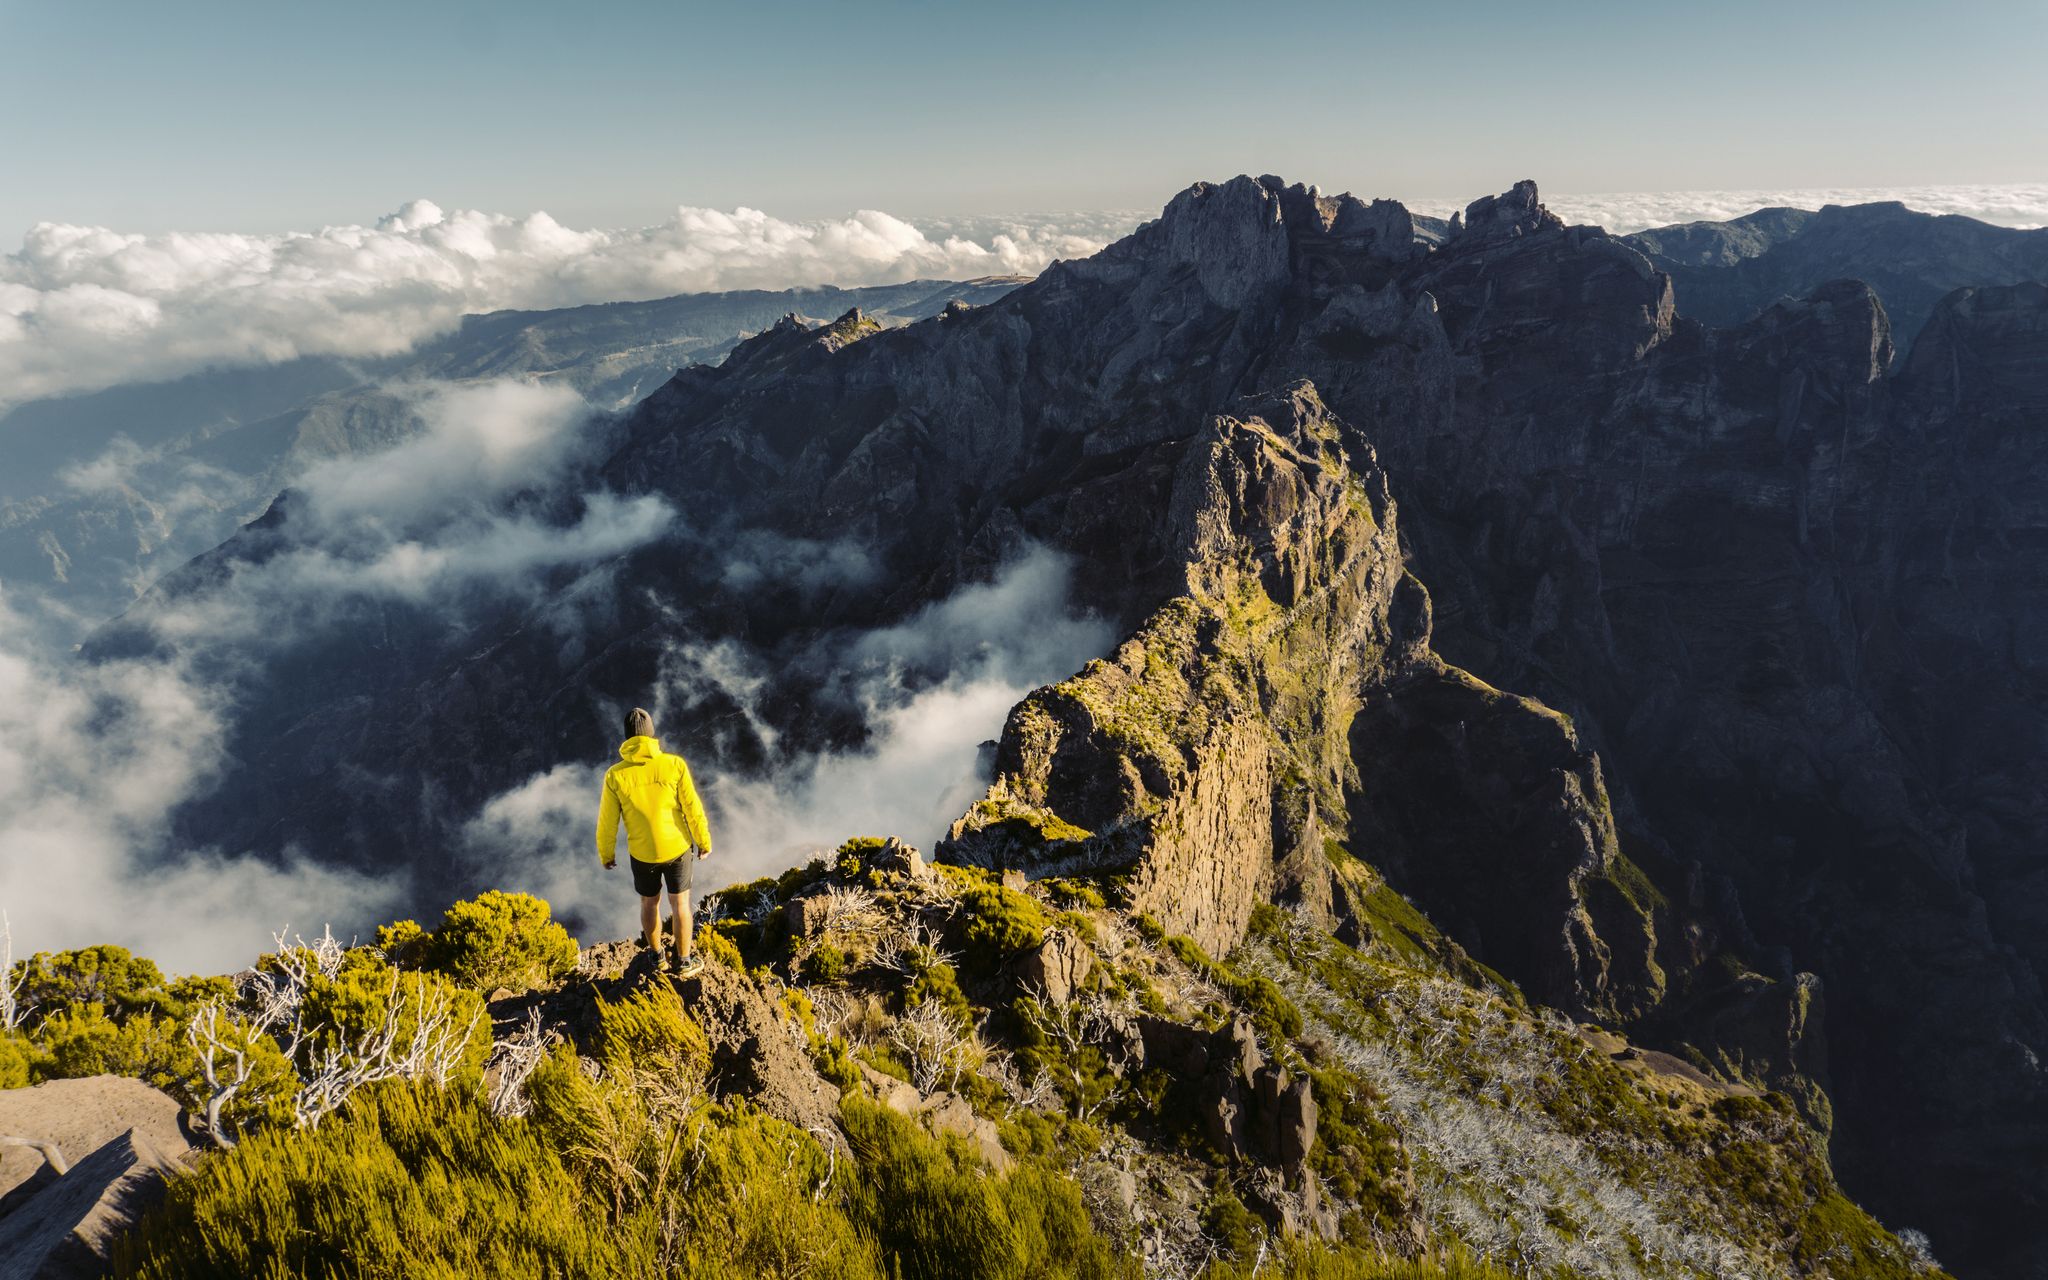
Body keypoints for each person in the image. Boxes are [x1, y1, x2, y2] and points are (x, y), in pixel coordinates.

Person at [596, 707, 713, 976]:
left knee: (649, 904)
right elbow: (692, 808)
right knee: (680, 904)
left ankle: (657, 956)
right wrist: (703, 840)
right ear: (651, 734)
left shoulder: (615, 775)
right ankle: (684, 962)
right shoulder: (674, 764)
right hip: (677, 848)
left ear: (627, 738)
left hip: (642, 853)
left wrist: (607, 853)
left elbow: (607, 821)